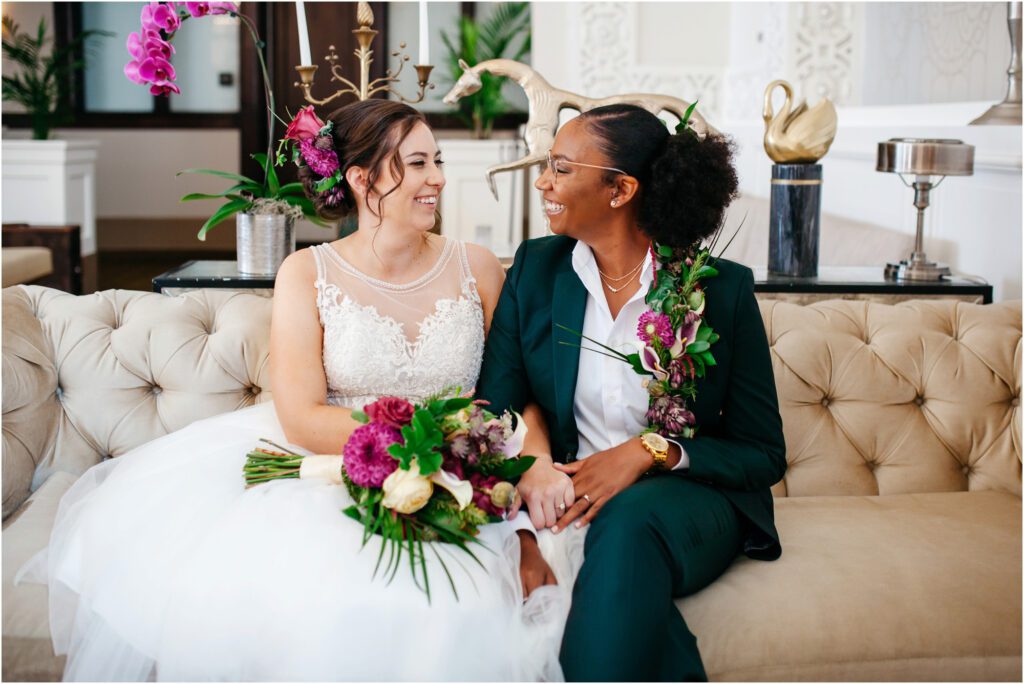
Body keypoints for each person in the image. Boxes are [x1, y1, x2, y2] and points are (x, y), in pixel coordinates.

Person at [21, 99, 567, 682]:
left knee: (471, 605)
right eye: (415, 164)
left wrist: (526, 463)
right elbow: (302, 416)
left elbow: (516, 389)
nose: (436, 178)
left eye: (437, 160)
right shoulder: (308, 273)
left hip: (466, 465)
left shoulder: (478, 267)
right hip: (336, 463)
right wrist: (422, 445)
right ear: (361, 180)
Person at [477, 104, 787, 681]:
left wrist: (650, 450)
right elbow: (495, 403)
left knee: (629, 521)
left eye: (561, 168)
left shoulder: (721, 291)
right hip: (569, 497)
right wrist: (534, 472)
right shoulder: (535, 270)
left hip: (689, 498)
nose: (543, 181)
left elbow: (763, 453)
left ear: (620, 189)